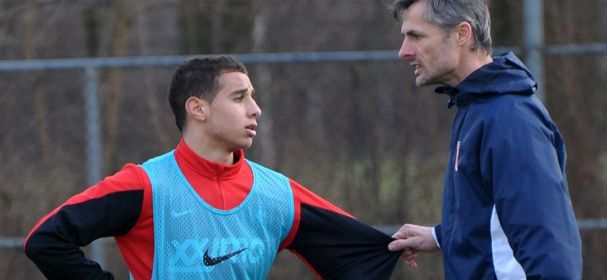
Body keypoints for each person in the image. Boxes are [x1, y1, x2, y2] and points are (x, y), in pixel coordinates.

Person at [24, 56, 401, 279]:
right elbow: (45, 240)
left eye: (253, 97)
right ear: (197, 108)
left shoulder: (276, 194)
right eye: (240, 98)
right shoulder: (146, 186)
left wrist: (405, 242)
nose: (255, 109)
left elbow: (357, 253)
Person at [386, 0, 583, 279]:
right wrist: (441, 236)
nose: (404, 51)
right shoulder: (475, 109)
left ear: (462, 34)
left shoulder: (509, 120)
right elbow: (496, 219)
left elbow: (553, 256)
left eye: (416, 36)